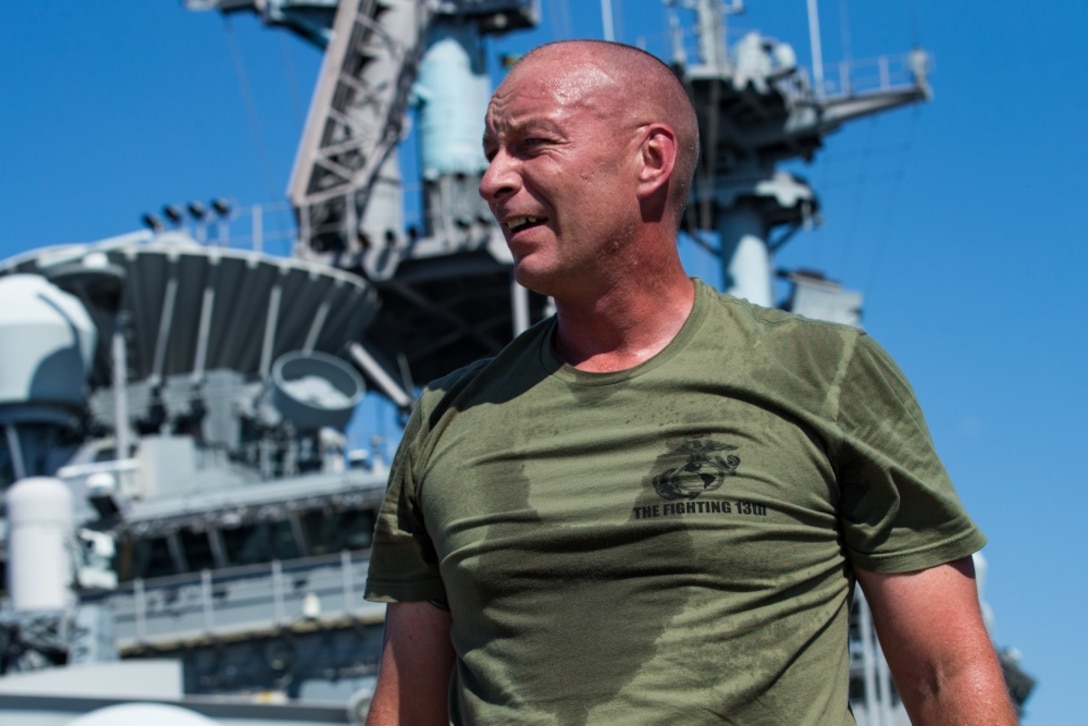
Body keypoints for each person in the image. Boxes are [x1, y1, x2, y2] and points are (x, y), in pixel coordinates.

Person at [363, 40, 1016, 725]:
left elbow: (947, 675)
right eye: (491, 152)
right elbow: (404, 709)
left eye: (532, 145)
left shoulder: (827, 373)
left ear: (651, 159)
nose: (493, 179)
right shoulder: (445, 418)